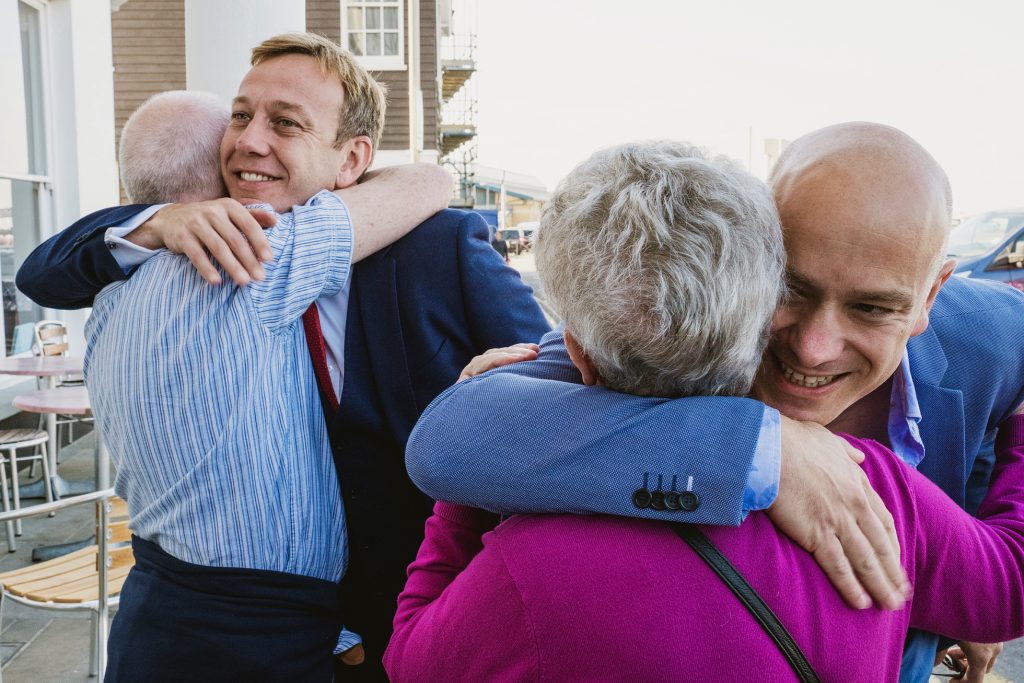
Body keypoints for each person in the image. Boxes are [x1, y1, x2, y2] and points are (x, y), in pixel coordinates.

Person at [403, 123, 1024, 682]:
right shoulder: (673, 316)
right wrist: (758, 450)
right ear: (748, 258)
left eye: (872, 307)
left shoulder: (1001, 336)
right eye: (790, 289)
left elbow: (414, 657)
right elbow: (453, 437)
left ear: (930, 295)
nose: (813, 348)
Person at [18, 33, 550, 681]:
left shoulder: (436, 246)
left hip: (412, 616)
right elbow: (44, 268)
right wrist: (158, 220)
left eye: (287, 123)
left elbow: (547, 398)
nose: (248, 139)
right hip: (273, 635)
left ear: (351, 159)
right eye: (240, 115)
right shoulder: (231, 255)